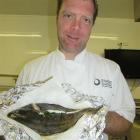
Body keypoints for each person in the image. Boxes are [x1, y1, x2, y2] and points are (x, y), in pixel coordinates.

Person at [16, 0, 135, 139]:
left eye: (85, 19)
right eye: (68, 16)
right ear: (57, 18)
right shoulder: (30, 70)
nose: (76, 27)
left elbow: (127, 124)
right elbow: (16, 121)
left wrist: (89, 115)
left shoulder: (111, 70)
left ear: (92, 26)